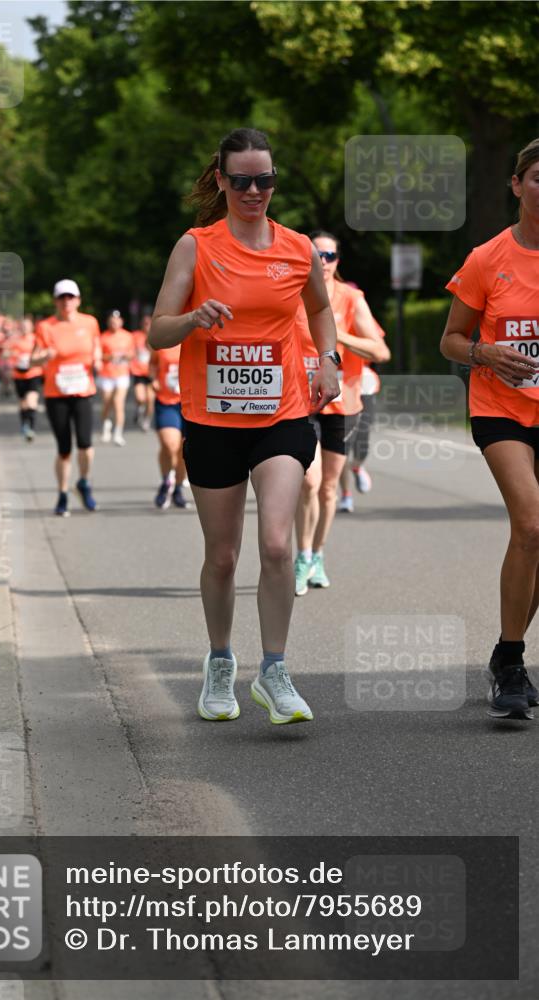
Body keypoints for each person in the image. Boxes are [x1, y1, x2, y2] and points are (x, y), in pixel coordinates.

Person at [149, 127, 340, 725]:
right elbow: (156, 330)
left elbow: (320, 309)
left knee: (279, 543)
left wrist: (328, 361)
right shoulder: (196, 247)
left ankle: (276, 670)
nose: (255, 190)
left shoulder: (296, 247)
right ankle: (220, 661)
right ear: (222, 181)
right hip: (211, 419)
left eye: (265, 179)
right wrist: (192, 318)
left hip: (281, 413)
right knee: (224, 556)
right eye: (242, 181)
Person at [441, 137, 539, 721]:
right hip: (502, 409)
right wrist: (486, 352)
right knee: (530, 523)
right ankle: (512, 661)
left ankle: (507, 657)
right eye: (538, 178)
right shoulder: (489, 257)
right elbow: (450, 338)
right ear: (517, 185)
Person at [293, 233, 390, 595]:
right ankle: (302, 555)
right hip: (301, 403)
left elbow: (380, 351)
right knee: (308, 482)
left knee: (330, 488)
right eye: (316, 253)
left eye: (330, 254)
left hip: (342, 403)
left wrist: (338, 338)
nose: (323, 259)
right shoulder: (292, 294)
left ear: (337, 260)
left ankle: (318, 554)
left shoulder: (351, 299)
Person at [32, 279, 101, 516]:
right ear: (55, 301)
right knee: (64, 448)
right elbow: (33, 359)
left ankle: (84, 482)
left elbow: (96, 346)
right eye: (62, 297)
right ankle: (62, 494)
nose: (66, 302)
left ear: (78, 300)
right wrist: (44, 357)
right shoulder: (46, 326)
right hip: (56, 394)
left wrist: (99, 358)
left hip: (83, 391)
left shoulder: (90, 322)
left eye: (70, 297)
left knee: (85, 444)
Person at [339, 321, 386, 511]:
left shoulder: (361, 317)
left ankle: (357, 467)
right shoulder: (317, 313)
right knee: (341, 445)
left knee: (362, 444)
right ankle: (345, 495)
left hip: (362, 384)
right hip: (335, 383)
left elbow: (379, 350)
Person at [149, 343, 189, 509]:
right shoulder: (164, 339)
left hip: (190, 402)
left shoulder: (195, 336)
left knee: (184, 449)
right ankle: (167, 481)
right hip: (166, 401)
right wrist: (153, 379)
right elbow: (152, 363)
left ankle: (178, 488)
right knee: (169, 445)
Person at [98, 310, 135, 446]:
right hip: (106, 374)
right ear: (108, 322)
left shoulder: (128, 336)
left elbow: (132, 354)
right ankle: (106, 425)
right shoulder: (103, 337)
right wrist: (109, 357)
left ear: (121, 322)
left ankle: (118, 433)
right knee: (107, 403)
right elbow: (98, 355)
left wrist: (126, 356)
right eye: (112, 321)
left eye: (117, 321)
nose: (114, 323)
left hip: (122, 374)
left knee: (119, 402)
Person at [8, 315, 42, 441]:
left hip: (33, 373)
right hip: (19, 374)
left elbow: (41, 353)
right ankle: (24, 424)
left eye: (27, 325)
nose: (25, 328)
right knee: (23, 403)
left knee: (32, 400)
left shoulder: (36, 339)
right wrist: (15, 357)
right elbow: (8, 355)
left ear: (32, 326)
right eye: (23, 325)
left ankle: (31, 429)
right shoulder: (15, 340)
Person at [130, 313, 155, 431]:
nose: (147, 325)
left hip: (151, 373)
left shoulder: (156, 337)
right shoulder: (135, 336)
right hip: (138, 372)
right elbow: (130, 350)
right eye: (145, 323)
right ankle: (139, 408)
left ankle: (146, 420)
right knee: (140, 398)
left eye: (149, 323)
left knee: (150, 399)